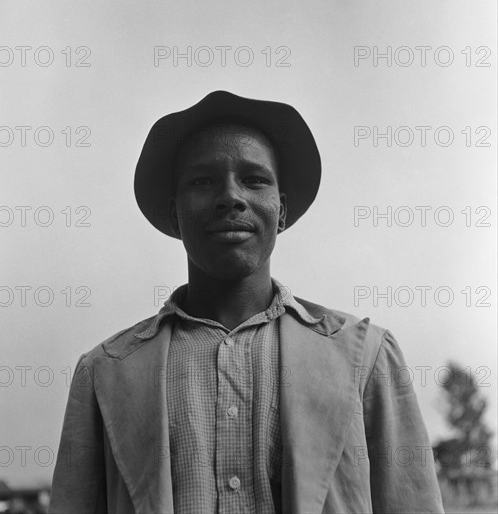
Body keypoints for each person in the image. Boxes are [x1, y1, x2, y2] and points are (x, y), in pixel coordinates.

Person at [49, 91, 445, 514]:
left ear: (282, 211)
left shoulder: (365, 358)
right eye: (202, 181)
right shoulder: (107, 373)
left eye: (254, 179)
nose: (230, 197)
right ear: (173, 213)